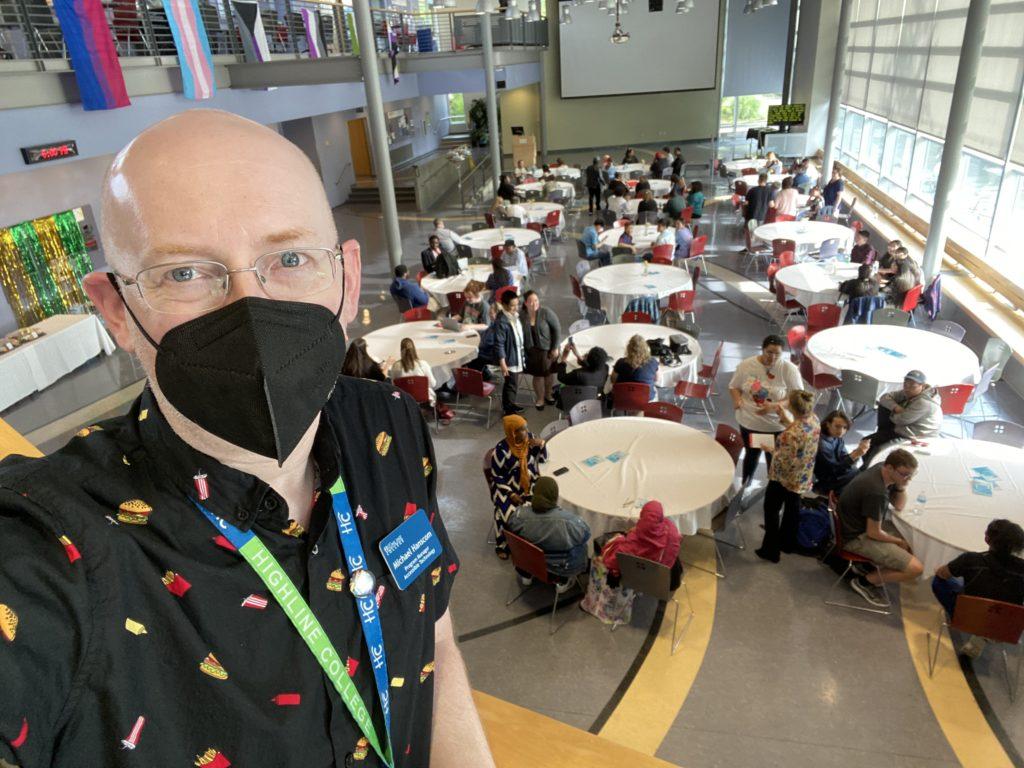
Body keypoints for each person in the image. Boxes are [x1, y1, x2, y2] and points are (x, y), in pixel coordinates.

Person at [17, 110, 490, 767]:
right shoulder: (52, 553)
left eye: (289, 258)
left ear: (348, 280)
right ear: (117, 312)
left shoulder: (389, 424)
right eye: (183, 272)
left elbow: (432, 639)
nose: (249, 306)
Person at [839, 449, 925, 607]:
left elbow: (899, 505)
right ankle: (864, 582)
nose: (908, 479)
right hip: (856, 537)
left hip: (856, 526)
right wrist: (898, 542)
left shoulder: (881, 468)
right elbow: (874, 532)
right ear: (890, 468)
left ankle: (871, 569)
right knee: (915, 568)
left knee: (910, 541)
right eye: (904, 474)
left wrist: (900, 485)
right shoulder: (876, 492)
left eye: (911, 475)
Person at [932, 520, 1024, 657]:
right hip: (1006, 627)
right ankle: (987, 634)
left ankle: (973, 625)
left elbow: (942, 574)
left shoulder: (971, 560)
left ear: (987, 539)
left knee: (938, 581)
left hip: (968, 617)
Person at [729, 335, 804, 487]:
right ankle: (745, 486)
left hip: (776, 426)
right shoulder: (746, 365)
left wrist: (775, 405)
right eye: (769, 352)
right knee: (751, 455)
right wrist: (737, 400)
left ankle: (772, 488)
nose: (773, 357)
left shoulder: (789, 369)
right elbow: (734, 386)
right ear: (762, 349)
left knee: (774, 459)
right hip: (750, 423)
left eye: (777, 354)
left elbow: (797, 397)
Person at [755, 390, 821, 563]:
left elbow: (784, 459)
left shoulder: (790, 434)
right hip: (803, 475)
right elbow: (800, 440)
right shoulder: (814, 420)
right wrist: (786, 420)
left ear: (791, 406)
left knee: (771, 510)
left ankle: (770, 549)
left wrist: (769, 449)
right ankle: (787, 543)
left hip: (783, 478)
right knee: (792, 509)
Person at [506, 476, 591, 580]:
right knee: (581, 545)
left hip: (529, 562)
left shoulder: (518, 516)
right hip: (560, 569)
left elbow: (510, 527)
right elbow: (586, 534)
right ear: (555, 496)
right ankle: (563, 582)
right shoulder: (571, 523)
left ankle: (526, 575)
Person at [489, 414, 547, 558]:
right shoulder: (501, 451)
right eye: (521, 429)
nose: (526, 432)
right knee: (505, 513)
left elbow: (542, 460)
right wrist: (510, 494)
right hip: (506, 487)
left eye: (526, 428)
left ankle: (529, 541)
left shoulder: (530, 439)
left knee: (542, 506)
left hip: (529, 482)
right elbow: (497, 476)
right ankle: (502, 544)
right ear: (513, 432)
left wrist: (542, 445)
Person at [861, 370, 943, 465]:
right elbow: (884, 397)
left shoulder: (923, 402)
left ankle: (868, 468)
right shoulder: (910, 392)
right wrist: (897, 408)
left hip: (916, 436)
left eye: (912, 385)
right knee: (866, 441)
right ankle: (866, 466)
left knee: (879, 451)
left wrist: (893, 412)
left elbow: (901, 420)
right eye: (905, 384)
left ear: (923, 386)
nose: (907, 388)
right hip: (905, 429)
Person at [601, 500, 682, 587]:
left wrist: (619, 538)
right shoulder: (672, 532)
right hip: (663, 578)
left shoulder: (632, 542)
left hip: (634, 577)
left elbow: (611, 561)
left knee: (615, 539)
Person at [389, 337, 455, 422]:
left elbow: (394, 385)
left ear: (401, 350)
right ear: (414, 349)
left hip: (403, 397)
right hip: (423, 396)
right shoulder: (423, 364)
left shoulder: (396, 366)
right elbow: (433, 384)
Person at [521, 290, 561, 409]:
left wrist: (555, 348)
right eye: (531, 301)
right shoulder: (522, 315)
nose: (534, 303)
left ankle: (548, 395)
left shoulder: (546, 312)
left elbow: (557, 329)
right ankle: (540, 398)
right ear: (526, 303)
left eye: (536, 300)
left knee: (548, 374)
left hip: (547, 350)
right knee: (537, 376)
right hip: (531, 351)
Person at [814, 410, 871, 494]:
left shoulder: (837, 438)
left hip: (835, 475)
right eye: (837, 426)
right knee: (861, 479)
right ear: (828, 424)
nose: (841, 431)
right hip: (827, 481)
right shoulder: (821, 443)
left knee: (863, 474)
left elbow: (843, 458)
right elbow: (833, 471)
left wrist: (857, 453)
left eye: (845, 428)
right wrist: (855, 454)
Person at [494, 289, 526, 415]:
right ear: (505, 305)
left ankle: (510, 405)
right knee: (511, 384)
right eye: (512, 305)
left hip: (517, 354)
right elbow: (499, 343)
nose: (515, 307)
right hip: (509, 358)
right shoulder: (502, 321)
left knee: (512, 383)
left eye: (517, 304)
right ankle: (508, 410)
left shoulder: (513, 316)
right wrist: (503, 363)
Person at [554, 342, 610, 408]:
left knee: (560, 388)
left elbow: (561, 377)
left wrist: (563, 358)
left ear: (588, 359)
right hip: (594, 401)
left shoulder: (578, 374)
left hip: (572, 403)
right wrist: (578, 356)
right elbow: (592, 368)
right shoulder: (605, 368)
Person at [610, 334, 659, 400]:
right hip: (645, 399)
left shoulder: (621, 363)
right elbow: (656, 379)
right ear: (646, 348)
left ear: (628, 348)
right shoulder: (653, 362)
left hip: (623, 399)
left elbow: (613, 380)